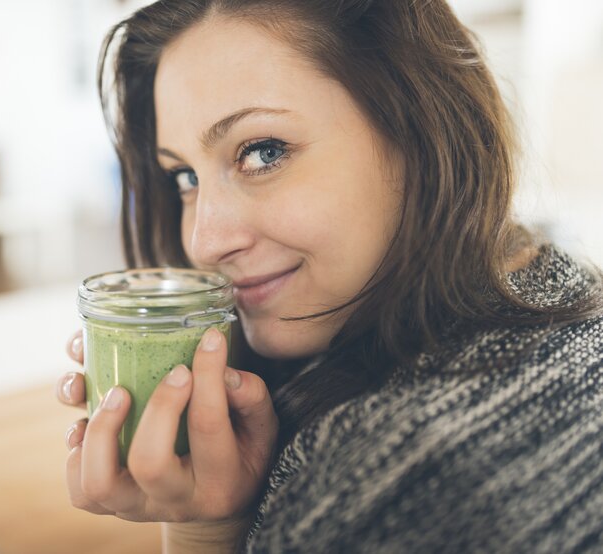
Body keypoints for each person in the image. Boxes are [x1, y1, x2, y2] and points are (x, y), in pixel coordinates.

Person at [56, 1, 603, 552]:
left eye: (262, 152)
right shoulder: (560, 282)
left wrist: (199, 537)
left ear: (418, 125)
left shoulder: (382, 479)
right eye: (184, 178)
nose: (204, 242)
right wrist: (212, 511)